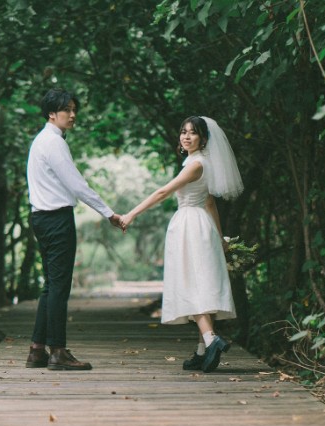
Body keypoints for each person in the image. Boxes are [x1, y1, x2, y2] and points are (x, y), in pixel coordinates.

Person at [120, 116, 243, 373]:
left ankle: (211, 339)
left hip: (190, 225)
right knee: (201, 281)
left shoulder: (196, 164)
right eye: (183, 132)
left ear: (204, 138)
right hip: (201, 224)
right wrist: (219, 238)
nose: (186, 137)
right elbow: (210, 202)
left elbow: (163, 192)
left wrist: (131, 214)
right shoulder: (200, 162)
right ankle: (202, 350)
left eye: (193, 133)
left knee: (192, 282)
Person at [25, 89, 125, 371]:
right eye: (66, 109)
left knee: (50, 285)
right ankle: (57, 351)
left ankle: (37, 350)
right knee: (59, 286)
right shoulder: (53, 143)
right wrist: (109, 213)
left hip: (41, 218)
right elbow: (77, 185)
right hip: (56, 219)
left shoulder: (41, 141)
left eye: (73, 109)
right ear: (51, 113)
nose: (72, 114)